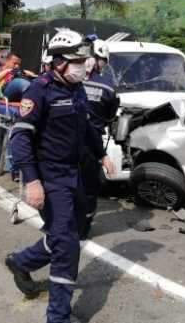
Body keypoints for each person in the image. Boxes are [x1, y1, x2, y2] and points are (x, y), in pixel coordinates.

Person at [5, 29, 115, 323]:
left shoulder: (76, 88)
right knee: (67, 246)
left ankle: (20, 261)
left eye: (84, 59)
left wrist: (101, 154)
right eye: (77, 60)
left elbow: (87, 128)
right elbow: (20, 139)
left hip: (74, 174)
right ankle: (58, 316)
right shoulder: (39, 90)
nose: (84, 65)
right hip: (50, 178)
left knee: (66, 235)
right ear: (58, 62)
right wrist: (32, 180)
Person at [80, 39, 119, 239]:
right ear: (100, 60)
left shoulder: (70, 80)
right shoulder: (108, 87)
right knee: (89, 187)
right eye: (104, 61)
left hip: (65, 141)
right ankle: (83, 228)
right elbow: (111, 114)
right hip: (92, 142)